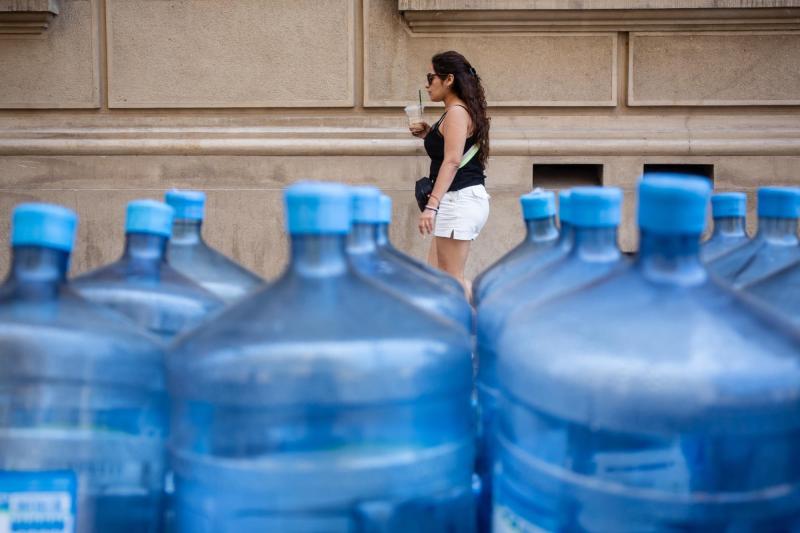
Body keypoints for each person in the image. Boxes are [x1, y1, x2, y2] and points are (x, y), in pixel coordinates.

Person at [410, 50, 490, 300]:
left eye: (431, 77)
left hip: (459, 200)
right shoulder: (457, 111)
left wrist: (431, 206)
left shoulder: (456, 112)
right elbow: (454, 149)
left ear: (449, 79)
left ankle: (488, 316)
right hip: (459, 200)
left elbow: (453, 160)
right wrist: (429, 135)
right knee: (435, 276)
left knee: (451, 279)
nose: (427, 84)